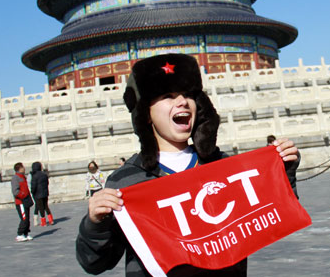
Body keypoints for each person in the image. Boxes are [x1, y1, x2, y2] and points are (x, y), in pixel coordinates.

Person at [76, 53, 300, 276]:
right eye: (168, 96)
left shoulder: (223, 166)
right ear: (146, 114)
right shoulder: (125, 181)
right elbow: (96, 263)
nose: (182, 101)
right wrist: (95, 223)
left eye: (187, 95)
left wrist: (284, 170)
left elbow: (268, 218)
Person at [11, 162, 34, 242]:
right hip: (20, 202)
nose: (24, 168)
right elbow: (15, 191)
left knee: (27, 218)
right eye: (23, 167)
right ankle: (20, 234)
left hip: (26, 200)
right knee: (24, 218)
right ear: (19, 169)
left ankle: (26, 233)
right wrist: (23, 195)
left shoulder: (23, 177)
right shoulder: (15, 178)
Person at [31, 161, 54, 226]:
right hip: (45, 192)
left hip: (38, 194)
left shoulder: (34, 176)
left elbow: (33, 186)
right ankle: (51, 219)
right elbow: (47, 183)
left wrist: (32, 191)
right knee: (46, 206)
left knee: (41, 208)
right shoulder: (44, 174)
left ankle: (43, 222)